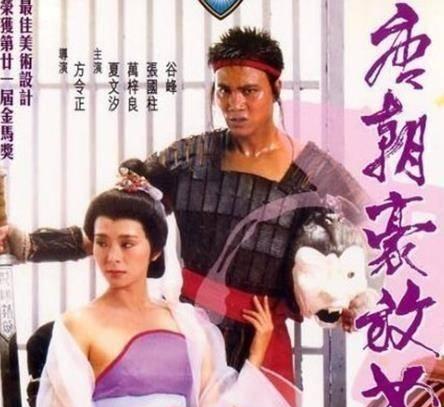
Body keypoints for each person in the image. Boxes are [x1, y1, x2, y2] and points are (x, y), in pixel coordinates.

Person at [17, 169, 404, 407]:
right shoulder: (77, 326)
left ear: (155, 250)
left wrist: (257, 353)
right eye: (102, 242)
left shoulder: (184, 321)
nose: (112, 256)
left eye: (127, 243)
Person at [0, 27, 369, 383]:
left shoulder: (317, 172)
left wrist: (352, 296)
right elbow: (120, 224)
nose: (234, 104)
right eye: (224, 91)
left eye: (249, 91)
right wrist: (31, 245)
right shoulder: (191, 157)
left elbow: (369, 233)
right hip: (190, 332)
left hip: (263, 339)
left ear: (276, 89)